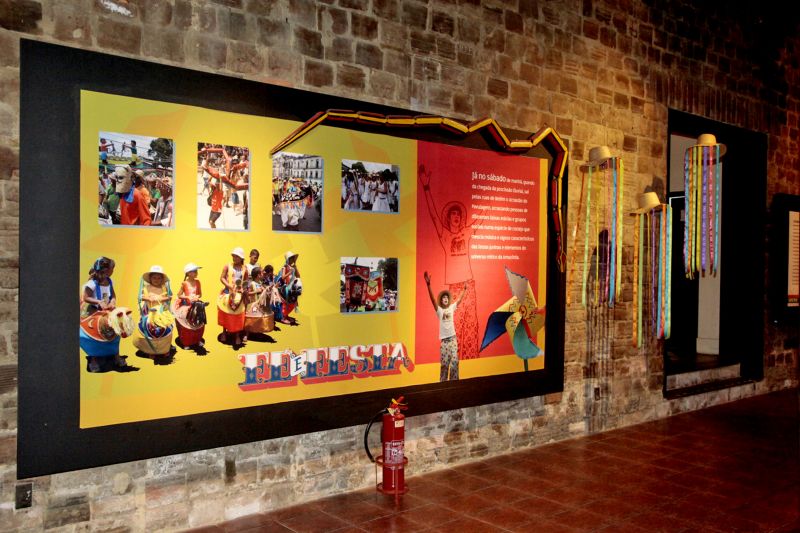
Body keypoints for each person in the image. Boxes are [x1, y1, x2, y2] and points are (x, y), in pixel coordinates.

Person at [419, 163, 483, 361]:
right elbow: (432, 214)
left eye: (458, 214)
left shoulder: (467, 232)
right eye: (452, 214)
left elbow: (481, 217)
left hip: (468, 286)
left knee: (470, 325)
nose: (455, 217)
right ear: (449, 218)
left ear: (461, 218)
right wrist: (427, 188)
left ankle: (470, 361)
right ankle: (453, 360)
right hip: (454, 288)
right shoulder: (445, 235)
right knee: (452, 326)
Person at [424, 271, 465, 381]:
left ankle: (454, 384)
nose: (446, 299)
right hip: (444, 342)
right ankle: (443, 385)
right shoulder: (440, 311)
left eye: (447, 297)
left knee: (455, 361)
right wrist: (428, 285)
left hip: (453, 339)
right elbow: (432, 300)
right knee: (444, 365)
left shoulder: (452, 307)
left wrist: (464, 290)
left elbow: (459, 300)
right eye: (444, 298)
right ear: (441, 300)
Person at [218, 247, 249, 347]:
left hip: (239, 294)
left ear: (241, 258)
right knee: (226, 312)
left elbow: (246, 281)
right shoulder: (227, 266)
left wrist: (244, 289)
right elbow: (222, 278)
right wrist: (229, 285)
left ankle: (237, 335)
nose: (234, 258)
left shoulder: (245, 269)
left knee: (238, 315)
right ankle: (224, 331)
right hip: (228, 292)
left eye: (237, 256)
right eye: (234, 256)